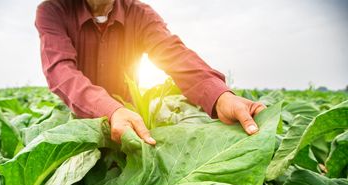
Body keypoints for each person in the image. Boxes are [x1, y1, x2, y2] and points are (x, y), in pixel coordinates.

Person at [35, 0, 266, 145]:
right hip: (78, 118)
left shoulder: (139, 13)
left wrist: (221, 96)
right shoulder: (53, 11)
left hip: (133, 120)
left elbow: (173, 53)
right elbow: (61, 70)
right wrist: (109, 110)